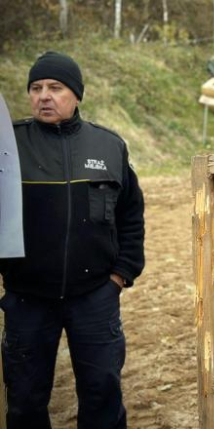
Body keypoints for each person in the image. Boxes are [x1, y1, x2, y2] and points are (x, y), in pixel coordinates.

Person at [0, 52, 145, 429]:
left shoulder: (109, 146)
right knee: (25, 402)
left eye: (55, 88)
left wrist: (119, 276)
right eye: (36, 88)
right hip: (27, 300)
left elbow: (130, 215)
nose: (44, 96)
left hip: (94, 297)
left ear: (77, 95)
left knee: (102, 396)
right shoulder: (8, 147)